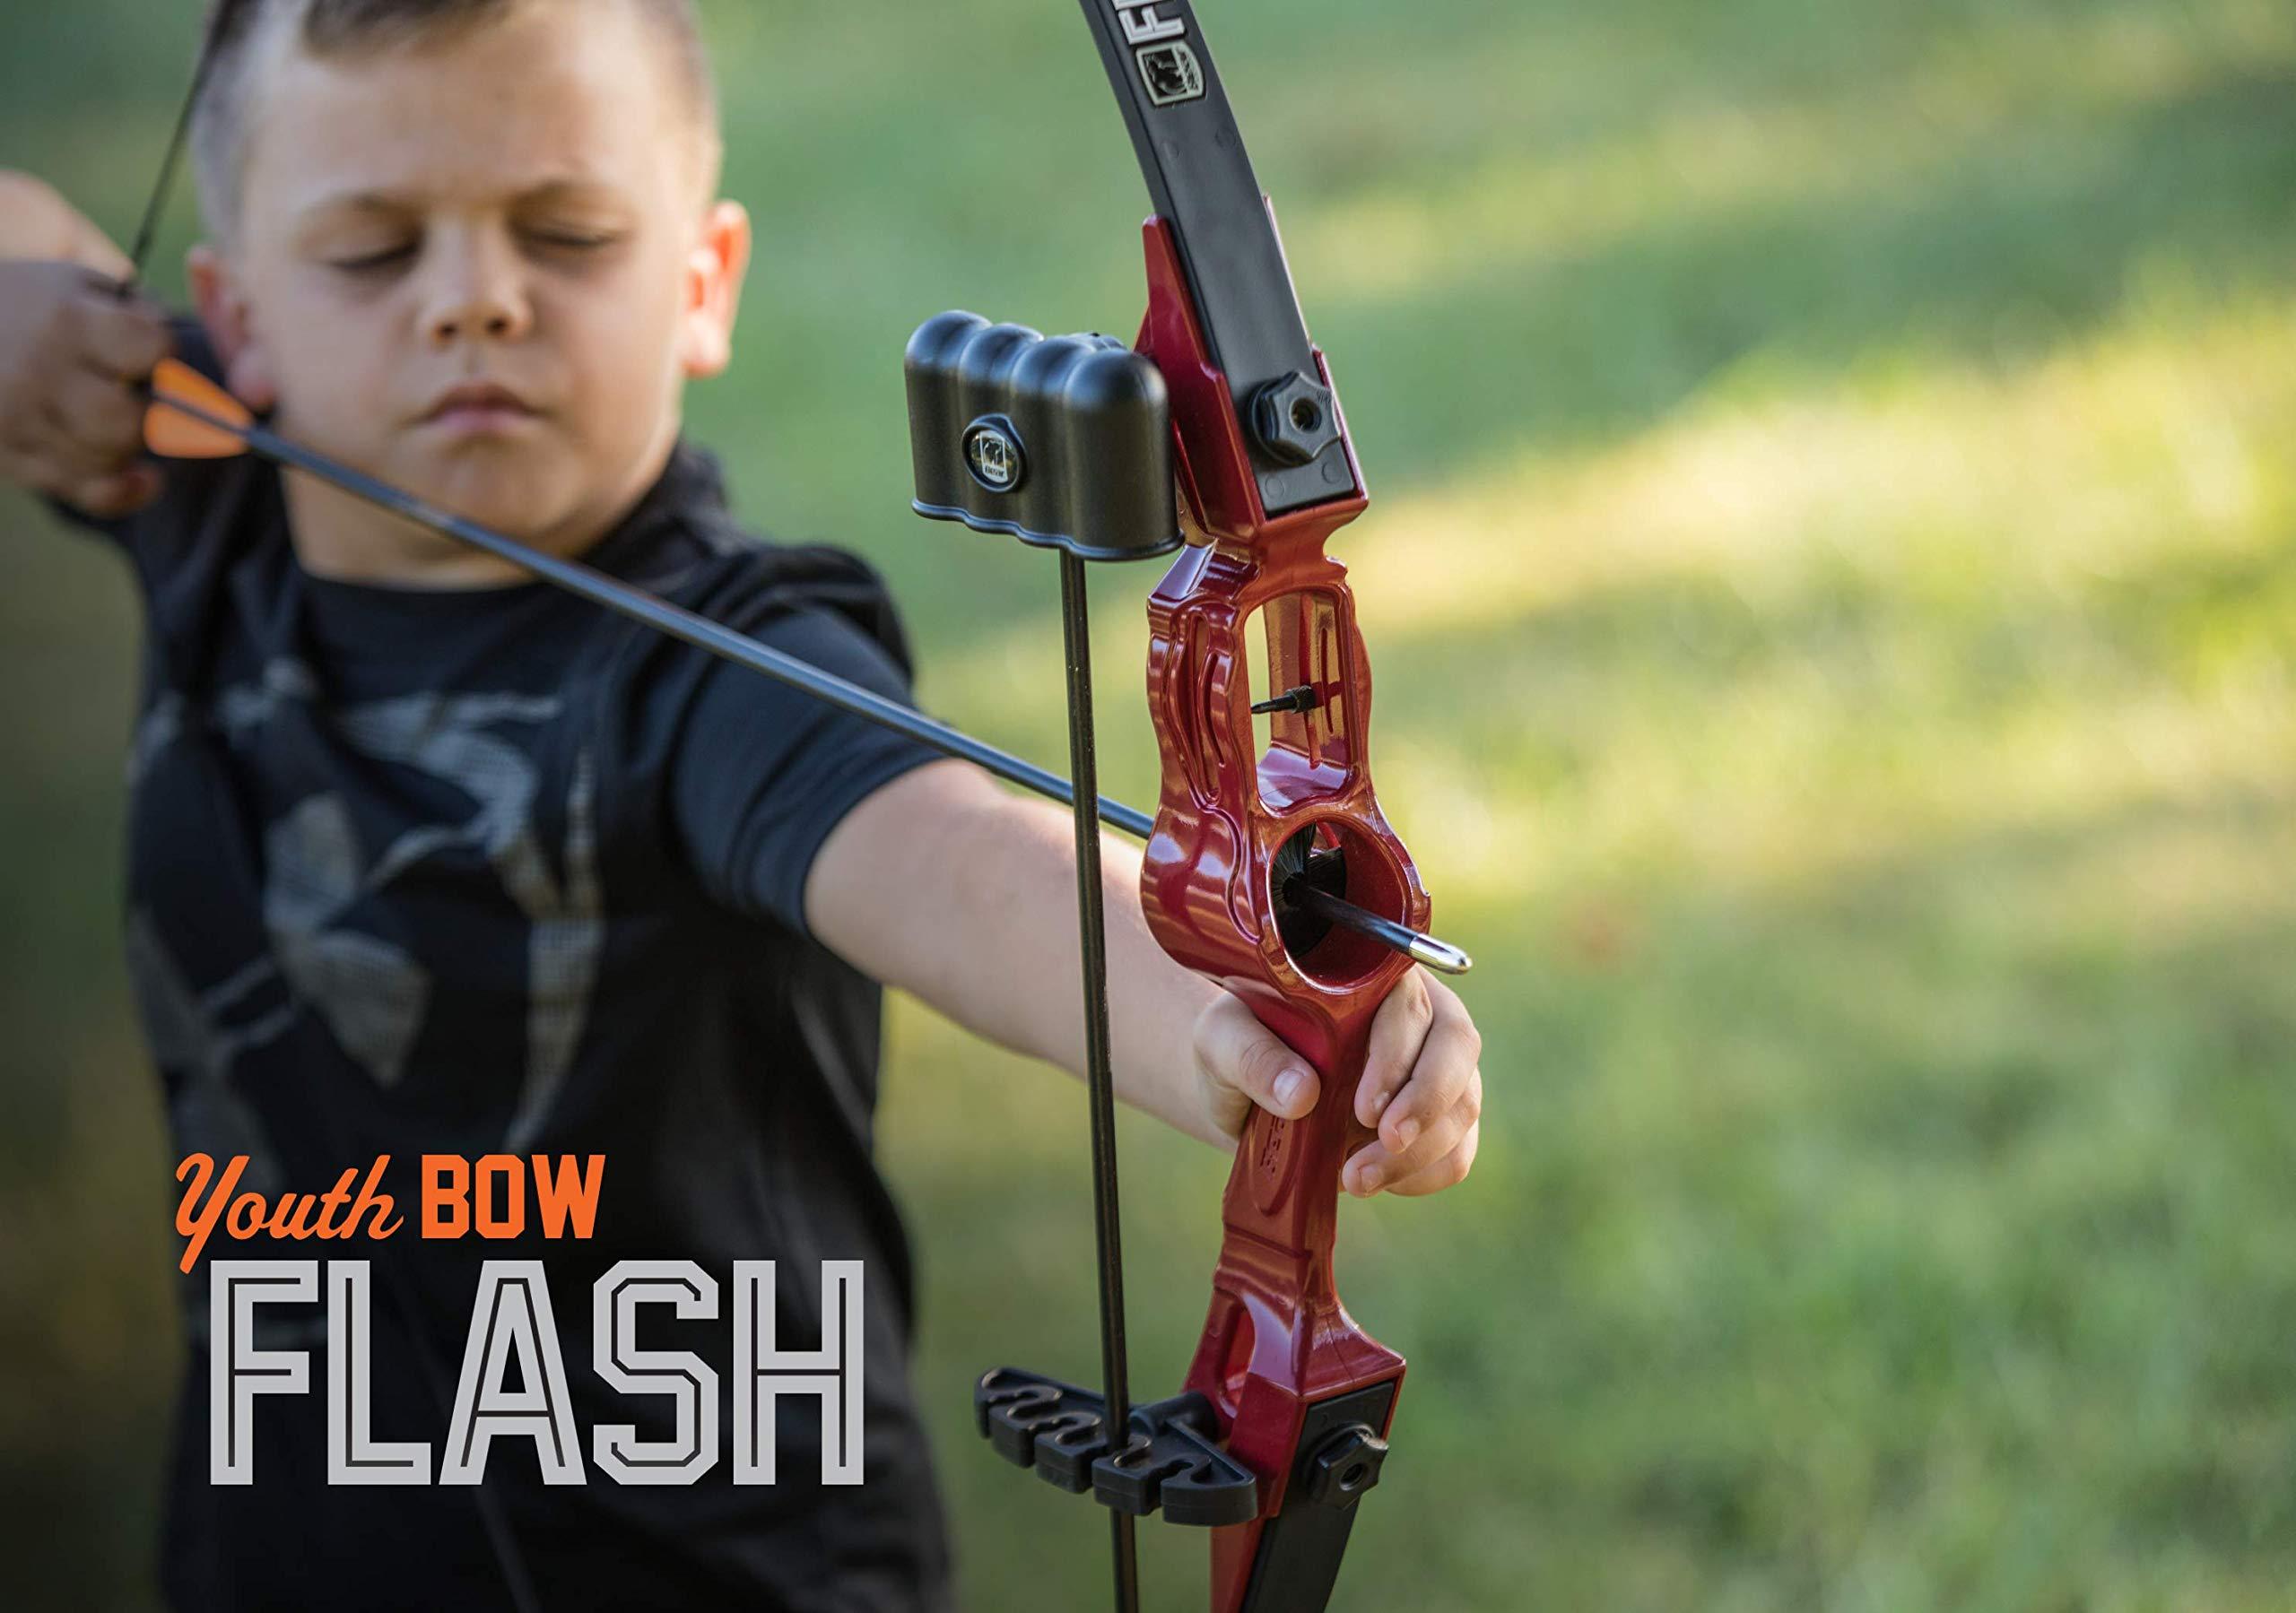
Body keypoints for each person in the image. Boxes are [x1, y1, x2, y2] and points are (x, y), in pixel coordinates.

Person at [0, 0, 1484, 1607]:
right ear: (233, 316)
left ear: (703, 282)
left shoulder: (723, 670)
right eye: (371, 252)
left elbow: (955, 859)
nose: (475, 299)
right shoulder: (205, 493)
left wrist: (1255, 1008)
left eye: (567, 234)